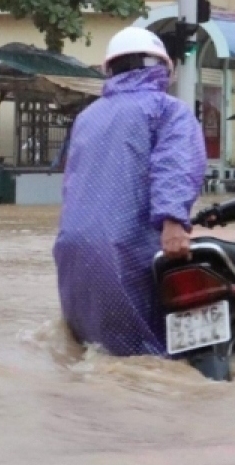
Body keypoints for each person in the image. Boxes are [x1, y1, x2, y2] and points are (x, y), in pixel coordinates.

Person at [53, 27, 207, 357]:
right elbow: (175, 165)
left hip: (71, 252)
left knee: (90, 356)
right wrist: (174, 221)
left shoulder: (86, 117)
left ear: (110, 70)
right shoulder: (167, 110)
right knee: (147, 362)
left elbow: (71, 181)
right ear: (164, 69)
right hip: (126, 250)